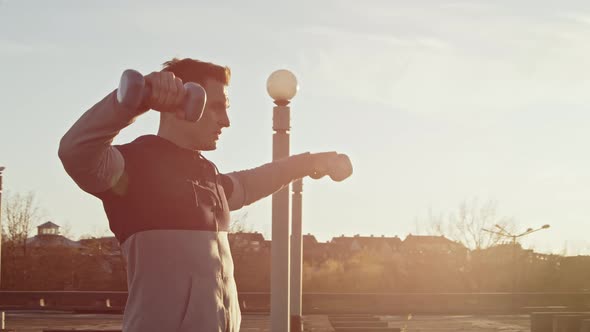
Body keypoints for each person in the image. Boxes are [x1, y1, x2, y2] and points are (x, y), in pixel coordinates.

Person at [58, 58, 352, 332]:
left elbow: (251, 183)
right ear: (178, 104)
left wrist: (308, 163)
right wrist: (134, 102)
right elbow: (75, 151)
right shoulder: (132, 166)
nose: (226, 121)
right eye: (216, 107)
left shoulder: (207, 175)